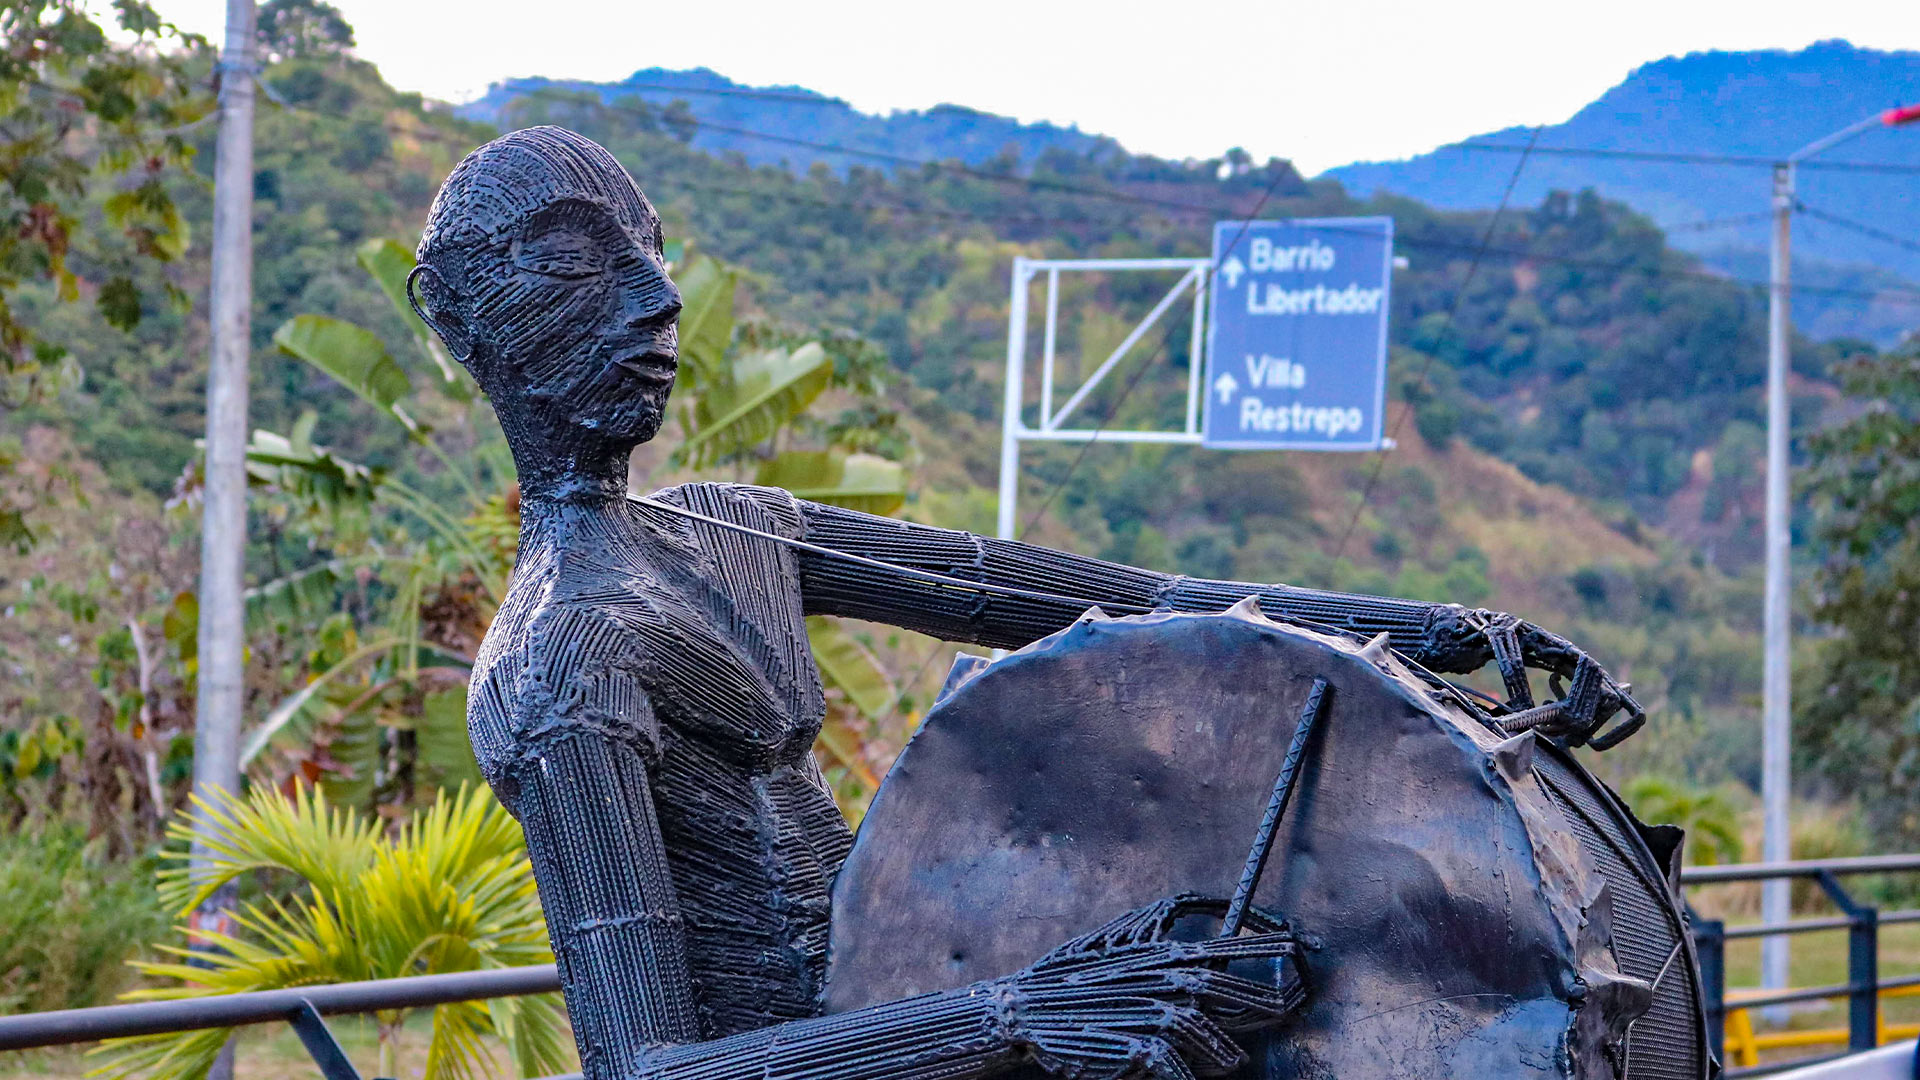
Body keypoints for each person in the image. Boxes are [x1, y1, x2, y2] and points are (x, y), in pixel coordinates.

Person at [407, 126, 1636, 1080]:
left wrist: (1429, 631)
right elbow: (648, 1064)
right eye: (579, 257)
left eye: (654, 250)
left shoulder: (736, 528)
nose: (653, 296)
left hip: (914, 1014)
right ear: (456, 315)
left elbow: (1137, 604)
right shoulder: (558, 667)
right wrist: (1027, 1010)